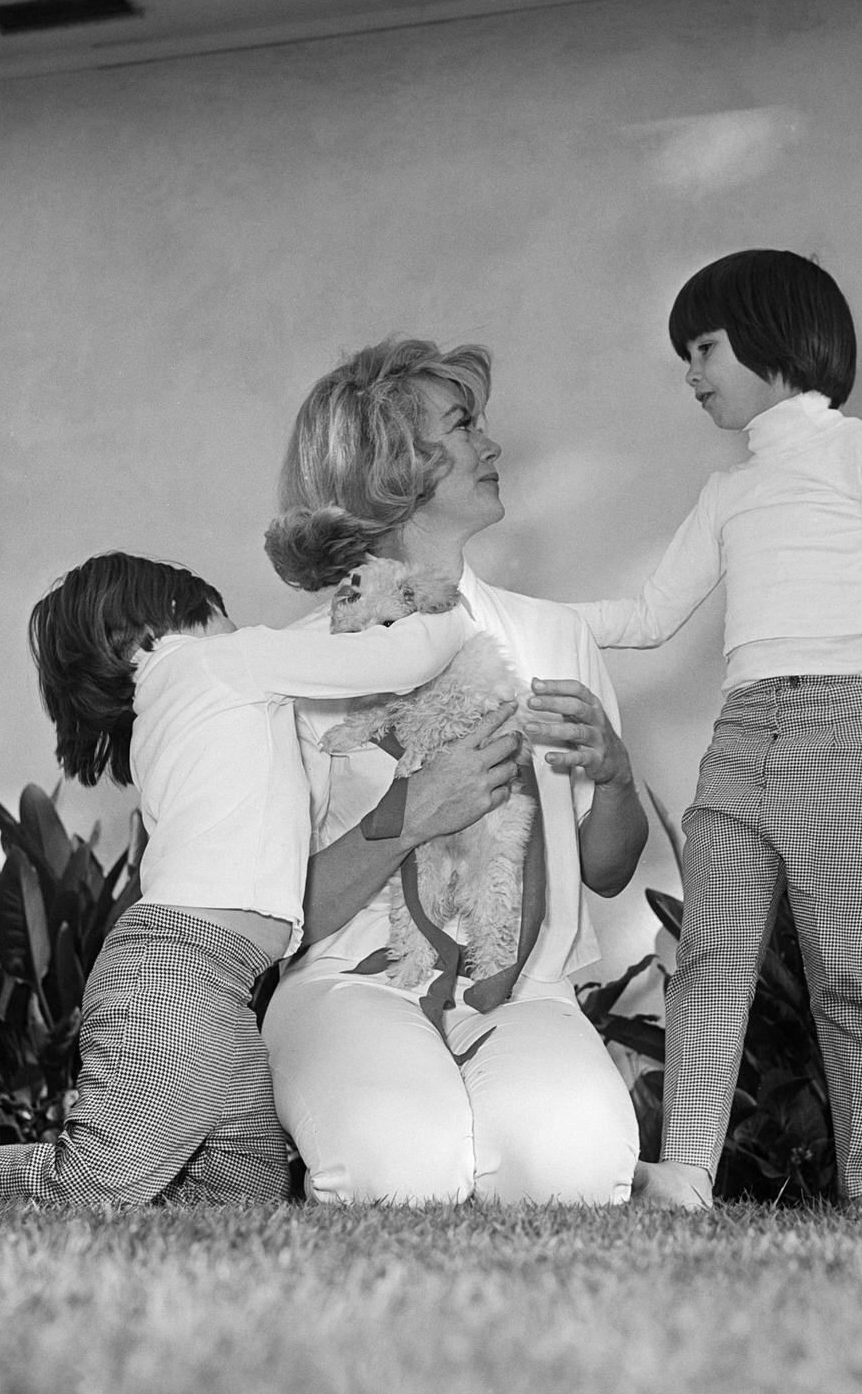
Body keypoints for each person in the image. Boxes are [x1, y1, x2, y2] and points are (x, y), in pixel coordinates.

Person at [0, 550, 470, 1205]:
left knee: (241, 1208)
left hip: (222, 994)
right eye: (227, 618)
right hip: (171, 982)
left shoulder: (177, 717)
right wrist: (455, 613)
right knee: (92, 1184)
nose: (245, 632)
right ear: (172, 621)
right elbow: (403, 659)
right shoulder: (216, 662)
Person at [572, 249, 862, 1210]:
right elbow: (647, 616)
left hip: (846, 727)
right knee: (711, 955)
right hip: (745, 732)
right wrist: (502, 608)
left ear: (772, 338)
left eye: (703, 348)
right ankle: (688, 1175)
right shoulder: (728, 493)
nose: (692, 373)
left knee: (845, 971)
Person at [260, 337, 648, 1205]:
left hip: (523, 986)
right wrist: (413, 812)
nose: (493, 445)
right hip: (346, 980)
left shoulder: (556, 640)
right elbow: (272, 921)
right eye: (463, 425)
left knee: (574, 1179)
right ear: (392, 466)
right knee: (397, 1175)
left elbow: (610, 870)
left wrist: (616, 776)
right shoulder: (294, 670)